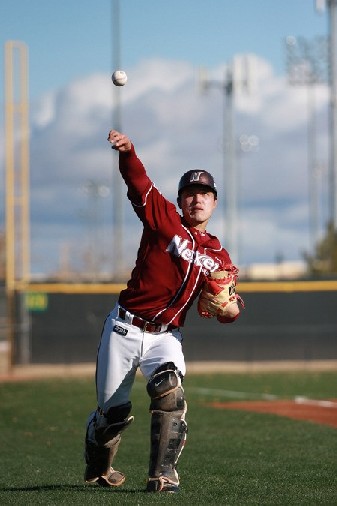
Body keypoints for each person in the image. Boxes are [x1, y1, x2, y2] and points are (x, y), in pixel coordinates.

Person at [84, 129, 242, 493]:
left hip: (165, 337)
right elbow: (138, 181)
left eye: (204, 194)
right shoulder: (163, 220)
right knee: (113, 415)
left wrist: (228, 307)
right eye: (190, 193)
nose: (196, 199)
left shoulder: (218, 256)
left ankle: (163, 475)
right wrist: (128, 152)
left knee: (170, 393)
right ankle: (97, 451)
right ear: (180, 200)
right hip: (125, 328)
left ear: (214, 203)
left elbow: (228, 311)